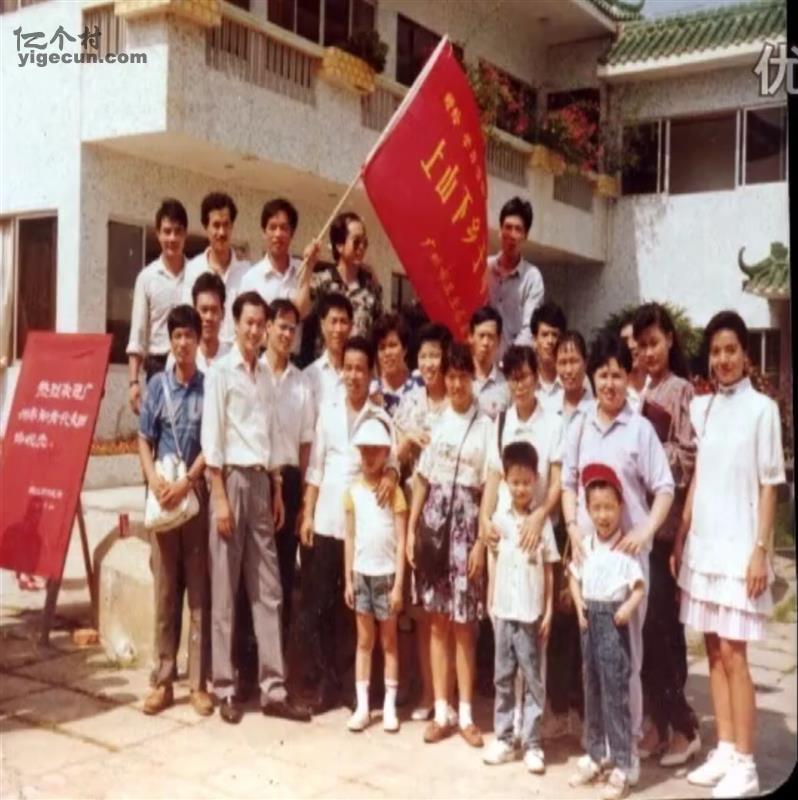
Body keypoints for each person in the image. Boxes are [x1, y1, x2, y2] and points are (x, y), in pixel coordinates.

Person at [672, 311, 784, 799]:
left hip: (740, 548)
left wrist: (760, 551)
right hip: (705, 546)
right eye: (716, 351)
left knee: (736, 656)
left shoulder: (763, 410)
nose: (723, 359)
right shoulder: (705, 407)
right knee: (714, 650)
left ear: (745, 355)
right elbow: (700, 475)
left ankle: (746, 762)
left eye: (731, 350)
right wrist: (683, 531)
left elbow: (770, 485)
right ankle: (724, 748)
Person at [562, 330, 674, 784]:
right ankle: (599, 751)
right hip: (591, 563)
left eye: (616, 375)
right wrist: (573, 529)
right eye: (602, 375)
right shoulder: (580, 425)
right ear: (592, 377)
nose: (609, 384)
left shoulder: (639, 428)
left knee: (625, 665)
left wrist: (645, 532)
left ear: (628, 377)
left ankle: (626, 759)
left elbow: (664, 488)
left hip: (627, 567)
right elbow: (568, 483)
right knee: (592, 663)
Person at [201, 290, 310, 725]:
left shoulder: (264, 376)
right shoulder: (220, 373)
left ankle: (273, 689)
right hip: (230, 482)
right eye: (247, 322)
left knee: (269, 589)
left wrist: (278, 487)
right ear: (236, 324)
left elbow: (270, 436)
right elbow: (213, 438)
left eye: (259, 323)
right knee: (226, 591)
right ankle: (225, 687)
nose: (254, 330)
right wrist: (220, 497)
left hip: (264, 483)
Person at [300, 336, 398, 714]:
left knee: (356, 610)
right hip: (328, 519)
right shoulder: (327, 411)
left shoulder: (379, 416)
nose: (354, 375)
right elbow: (315, 467)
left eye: (361, 369)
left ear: (371, 373)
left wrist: (390, 473)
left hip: (364, 527)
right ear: (341, 371)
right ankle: (327, 684)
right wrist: (308, 513)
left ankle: (355, 689)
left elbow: (393, 462)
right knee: (323, 605)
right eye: (349, 368)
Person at [407, 343, 492, 748]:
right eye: (451, 377)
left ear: (472, 378)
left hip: (465, 531)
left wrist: (480, 543)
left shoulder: (486, 425)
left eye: (463, 377)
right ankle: (441, 712)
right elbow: (422, 480)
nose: (456, 384)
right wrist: (411, 529)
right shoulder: (438, 421)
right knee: (438, 622)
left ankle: (467, 716)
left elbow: (489, 486)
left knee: (464, 626)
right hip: (434, 529)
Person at [632, 302, 700, 766]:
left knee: (663, 631)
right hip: (638, 525)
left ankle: (684, 727)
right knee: (645, 629)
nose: (649, 352)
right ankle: (657, 723)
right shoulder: (641, 388)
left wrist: (651, 447)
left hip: (665, 528)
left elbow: (689, 457)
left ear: (670, 341)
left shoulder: (682, 391)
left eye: (654, 343)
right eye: (642, 345)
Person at [138, 304, 212, 717]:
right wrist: (153, 479)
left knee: (199, 594)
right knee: (166, 593)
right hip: (163, 499)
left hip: (195, 499)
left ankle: (198, 684)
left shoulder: (208, 388)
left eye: (189, 336)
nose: (183, 343)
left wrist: (188, 481)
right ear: (170, 342)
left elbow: (212, 443)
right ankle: (163, 680)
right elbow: (144, 438)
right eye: (177, 336)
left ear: (199, 341)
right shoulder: (156, 386)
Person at [568, 463, 646, 800]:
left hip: (613, 625)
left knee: (616, 695)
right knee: (592, 690)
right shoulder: (586, 545)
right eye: (597, 508)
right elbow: (573, 577)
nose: (603, 515)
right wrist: (577, 605)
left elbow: (639, 587)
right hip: (589, 623)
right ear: (588, 510)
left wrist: (627, 607)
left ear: (620, 507)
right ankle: (596, 754)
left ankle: (624, 764)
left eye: (609, 508)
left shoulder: (624, 548)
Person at [482, 441, 557, 775]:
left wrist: (549, 610)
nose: (521, 488)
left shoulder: (542, 524)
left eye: (527, 482)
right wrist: (490, 600)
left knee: (532, 679)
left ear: (536, 480)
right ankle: (504, 737)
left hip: (530, 614)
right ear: (506, 481)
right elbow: (493, 559)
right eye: (515, 482)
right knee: (502, 676)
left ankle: (532, 743)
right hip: (503, 611)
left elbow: (549, 570)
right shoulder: (498, 521)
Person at [394, 322, 452, 722]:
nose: (430, 363)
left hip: (448, 514)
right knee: (419, 610)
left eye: (436, 355)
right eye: (424, 356)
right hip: (415, 513)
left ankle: (449, 697)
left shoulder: (456, 401)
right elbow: (393, 459)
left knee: (445, 612)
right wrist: (407, 440)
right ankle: (428, 695)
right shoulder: (410, 403)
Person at [343, 417, 408, 733]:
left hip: (386, 576)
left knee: (389, 641)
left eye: (376, 450)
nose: (369, 456)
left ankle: (390, 707)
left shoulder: (395, 493)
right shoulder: (353, 492)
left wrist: (398, 586)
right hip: (361, 575)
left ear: (386, 454)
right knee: (364, 641)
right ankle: (363, 706)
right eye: (364, 450)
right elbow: (350, 537)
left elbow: (401, 541)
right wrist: (348, 578)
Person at [544, 330, 593, 739]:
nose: (568, 368)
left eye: (574, 360)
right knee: (558, 616)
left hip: (587, 522)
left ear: (585, 363)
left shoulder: (596, 408)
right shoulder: (549, 408)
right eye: (562, 361)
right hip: (555, 522)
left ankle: (584, 709)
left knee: (585, 617)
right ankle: (559, 708)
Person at [262, 298, 315, 638]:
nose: (286, 334)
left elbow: (306, 445)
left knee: (283, 570)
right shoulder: (253, 375)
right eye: (281, 326)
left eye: (292, 329)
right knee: (253, 572)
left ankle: (277, 653)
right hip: (259, 478)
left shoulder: (302, 382)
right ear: (267, 327)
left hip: (291, 480)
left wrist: (304, 502)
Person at [127, 199, 189, 413]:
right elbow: (137, 334)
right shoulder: (147, 277)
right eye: (167, 231)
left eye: (178, 231)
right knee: (160, 426)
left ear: (185, 234)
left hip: (192, 364)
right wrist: (133, 382)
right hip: (159, 367)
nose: (172, 238)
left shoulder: (196, 273)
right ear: (158, 234)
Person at [240, 197, 319, 353]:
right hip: (261, 356)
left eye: (284, 228)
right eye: (272, 227)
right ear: (264, 232)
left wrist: (309, 267)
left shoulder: (304, 270)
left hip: (295, 359)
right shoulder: (251, 278)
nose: (278, 234)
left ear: (292, 233)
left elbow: (302, 313)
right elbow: (246, 327)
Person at [182, 192, 250, 346]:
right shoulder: (193, 269)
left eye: (226, 225)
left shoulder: (246, 272)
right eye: (216, 225)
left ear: (232, 227)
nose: (222, 232)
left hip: (236, 354)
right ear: (206, 228)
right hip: (202, 352)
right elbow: (188, 317)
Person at [310, 211, 383, 352]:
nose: (361, 247)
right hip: (327, 363)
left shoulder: (371, 287)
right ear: (339, 245)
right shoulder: (321, 281)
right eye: (356, 242)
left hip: (358, 362)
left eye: (364, 242)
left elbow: (378, 330)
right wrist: (308, 266)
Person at [487, 197, 544, 358]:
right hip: (483, 364)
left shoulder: (532, 278)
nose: (512, 235)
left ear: (525, 235)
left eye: (518, 229)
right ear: (500, 230)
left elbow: (529, 329)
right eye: (507, 227)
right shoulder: (485, 269)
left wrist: (508, 362)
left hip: (514, 364)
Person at [304, 292, 353, 418]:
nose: (338, 329)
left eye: (343, 322)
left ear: (351, 327)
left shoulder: (359, 374)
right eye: (333, 321)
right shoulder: (309, 376)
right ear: (322, 325)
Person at [369, 313, 423, 416]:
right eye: (382, 347)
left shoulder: (421, 385)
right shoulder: (371, 391)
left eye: (392, 345)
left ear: (405, 349)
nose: (387, 353)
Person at [468, 305, 510, 421]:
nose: (485, 343)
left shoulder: (506, 385)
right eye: (481, 336)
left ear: (499, 340)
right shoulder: (459, 379)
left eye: (491, 337)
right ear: (471, 337)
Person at [530, 302, 568, 412]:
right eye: (545, 335)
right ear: (534, 340)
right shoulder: (525, 382)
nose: (550, 341)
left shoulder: (576, 380)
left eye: (555, 335)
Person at [619, 314, 648, 412]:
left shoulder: (657, 385)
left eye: (635, 338)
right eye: (625, 340)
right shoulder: (616, 390)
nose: (631, 345)